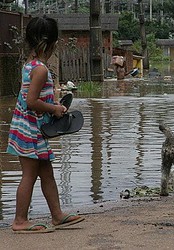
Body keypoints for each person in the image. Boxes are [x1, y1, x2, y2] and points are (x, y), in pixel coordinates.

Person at [7, 16, 84, 234]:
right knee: (29, 174)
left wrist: (53, 104)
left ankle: (57, 215)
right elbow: (31, 102)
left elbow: (34, 97)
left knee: (47, 173)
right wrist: (55, 109)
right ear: (51, 44)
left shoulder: (31, 65)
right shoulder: (40, 69)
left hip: (31, 127)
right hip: (30, 129)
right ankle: (20, 221)